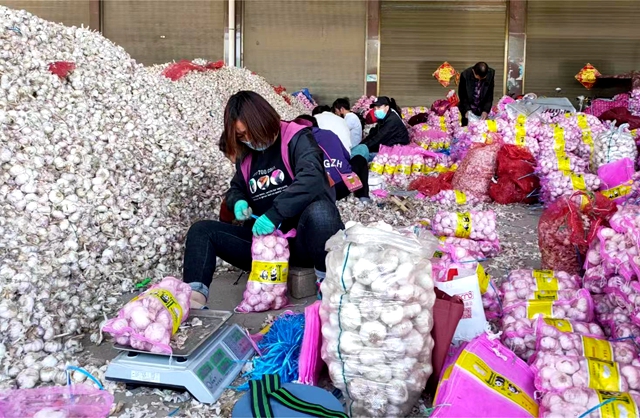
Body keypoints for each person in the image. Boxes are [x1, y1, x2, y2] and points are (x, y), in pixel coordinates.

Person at [183, 91, 343, 308]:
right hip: (265, 249)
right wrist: (238, 201)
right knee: (202, 231)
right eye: (241, 136)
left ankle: (329, 283)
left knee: (321, 212)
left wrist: (276, 213)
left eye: (250, 133)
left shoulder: (296, 138)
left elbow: (312, 178)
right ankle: (194, 299)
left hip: (303, 243)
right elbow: (236, 188)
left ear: (265, 121)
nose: (248, 140)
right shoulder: (246, 155)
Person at [294, 114, 370, 203]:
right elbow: (346, 156)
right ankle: (364, 196)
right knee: (360, 159)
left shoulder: (297, 141)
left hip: (320, 192)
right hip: (345, 185)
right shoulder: (330, 134)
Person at [351, 96, 409, 160]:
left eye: (378, 107)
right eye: (375, 109)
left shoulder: (392, 120)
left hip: (395, 151)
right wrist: (359, 146)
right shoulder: (383, 118)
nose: (376, 111)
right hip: (386, 145)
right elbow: (373, 134)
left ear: (387, 108)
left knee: (362, 157)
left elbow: (379, 138)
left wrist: (362, 148)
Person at [458, 62, 495, 126]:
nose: (480, 80)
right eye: (478, 78)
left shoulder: (490, 74)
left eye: (482, 79)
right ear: (473, 71)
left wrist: (485, 110)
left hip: (481, 108)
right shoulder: (465, 75)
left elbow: (489, 94)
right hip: (468, 107)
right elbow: (462, 95)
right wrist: (467, 109)